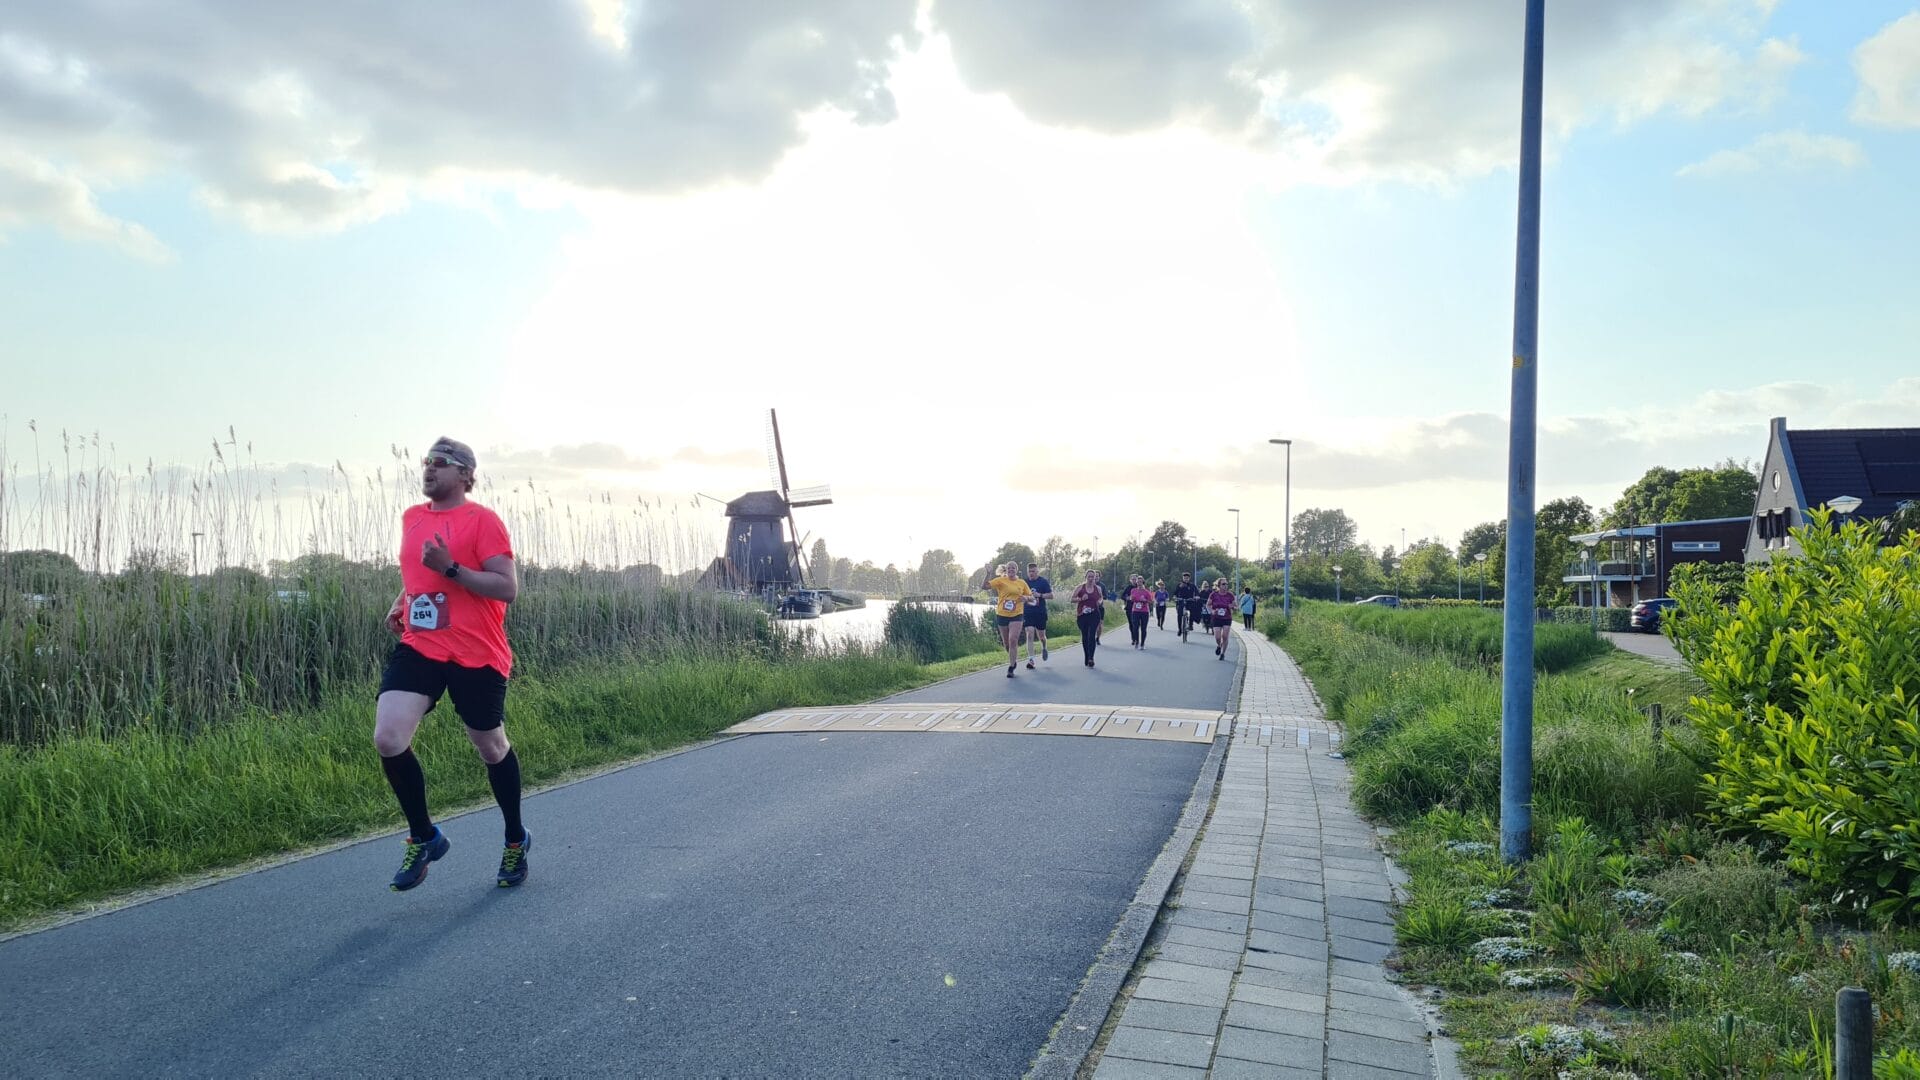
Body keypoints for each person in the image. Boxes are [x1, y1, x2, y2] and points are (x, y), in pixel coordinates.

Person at [375, 437, 529, 892]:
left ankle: (516, 838)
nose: (429, 468)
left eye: (441, 463)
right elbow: (417, 570)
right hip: (421, 644)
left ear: (465, 475)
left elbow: (506, 588)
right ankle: (424, 836)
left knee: (491, 746)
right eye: (426, 461)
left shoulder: (483, 520)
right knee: (388, 737)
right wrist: (403, 599)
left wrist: (451, 569)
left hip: (476, 651)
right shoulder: (412, 517)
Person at [983, 562, 1034, 678]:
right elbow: (984, 586)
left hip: (1017, 615)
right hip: (1002, 615)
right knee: (1006, 643)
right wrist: (988, 573)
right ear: (1006, 570)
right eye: (1009, 568)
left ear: (1016, 570)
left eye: (1013, 568)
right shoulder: (1001, 580)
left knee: (1013, 640)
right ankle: (1013, 660)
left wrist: (1026, 598)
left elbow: (1032, 598)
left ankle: (1011, 667)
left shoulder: (1021, 583)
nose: (1011, 569)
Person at [1021, 562, 1054, 669]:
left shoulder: (1043, 582)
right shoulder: (1024, 582)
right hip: (1028, 612)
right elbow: (1020, 595)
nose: (1031, 573)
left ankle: (1044, 647)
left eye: (1033, 571)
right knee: (1029, 633)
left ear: (1037, 571)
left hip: (1040, 612)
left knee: (1041, 636)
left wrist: (1040, 595)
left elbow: (1051, 595)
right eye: (1029, 571)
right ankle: (1031, 660)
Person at [1070, 570, 1105, 668]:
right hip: (1082, 615)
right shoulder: (1080, 587)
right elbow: (1072, 599)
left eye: (1092, 577)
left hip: (1094, 614)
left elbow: (1101, 597)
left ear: (1095, 578)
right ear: (1085, 577)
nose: (1091, 579)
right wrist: (1081, 599)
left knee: (1091, 635)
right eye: (1089, 577)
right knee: (1085, 636)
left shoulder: (1098, 588)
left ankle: (1091, 658)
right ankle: (1087, 656)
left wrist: (1100, 602)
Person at [1207, 577, 1236, 659]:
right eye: (1223, 584)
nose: (1225, 585)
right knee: (1217, 637)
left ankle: (1223, 653)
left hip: (1227, 618)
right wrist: (1212, 611)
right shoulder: (1213, 594)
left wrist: (1232, 606)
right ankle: (1219, 645)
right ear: (1219, 585)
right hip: (1216, 618)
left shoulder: (1230, 595)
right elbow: (1208, 605)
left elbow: (1236, 606)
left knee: (1225, 637)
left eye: (1226, 584)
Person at [1126, 574, 1154, 648]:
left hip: (1144, 611)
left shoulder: (1146, 592)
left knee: (1143, 628)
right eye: (1138, 582)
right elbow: (1131, 598)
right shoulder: (1133, 590)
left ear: (1143, 582)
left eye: (1140, 582)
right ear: (1136, 583)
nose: (1139, 583)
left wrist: (1145, 600)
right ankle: (1137, 641)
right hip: (1135, 611)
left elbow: (1151, 601)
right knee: (1135, 627)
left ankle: (1142, 643)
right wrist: (1131, 599)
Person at [1172, 572, 1200, 641]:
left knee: (1193, 610)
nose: (1186, 579)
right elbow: (1175, 593)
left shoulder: (1192, 585)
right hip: (1181, 601)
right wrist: (1175, 597)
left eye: (1187, 578)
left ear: (1189, 578)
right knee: (1179, 614)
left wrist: (1197, 596)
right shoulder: (1179, 585)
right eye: (1184, 578)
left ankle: (1190, 624)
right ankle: (1179, 629)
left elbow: (1197, 592)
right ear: (1183, 578)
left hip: (1190, 601)